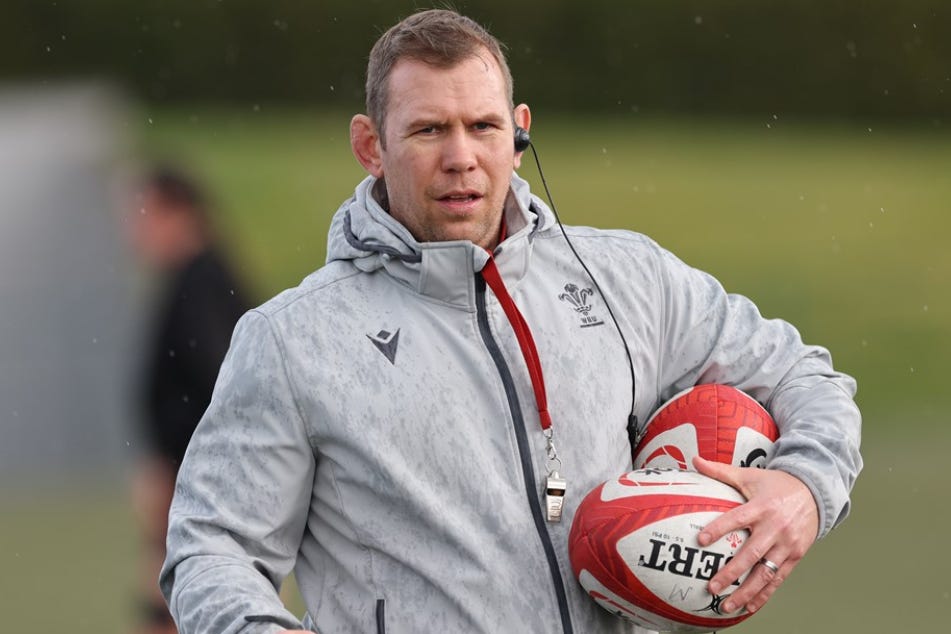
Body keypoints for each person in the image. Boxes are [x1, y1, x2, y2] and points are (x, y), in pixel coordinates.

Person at [160, 9, 862, 634]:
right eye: (429, 129)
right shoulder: (292, 342)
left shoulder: (627, 279)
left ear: (519, 131)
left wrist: (804, 490)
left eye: (483, 127)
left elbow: (803, 376)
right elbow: (211, 548)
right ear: (370, 145)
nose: (461, 157)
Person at [129, 166, 251, 633]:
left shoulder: (202, 285)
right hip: (188, 482)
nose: (136, 231)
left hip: (197, 485)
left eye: (144, 215)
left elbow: (221, 388)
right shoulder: (194, 279)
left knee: (192, 596)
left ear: (178, 213)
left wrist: (181, 472)